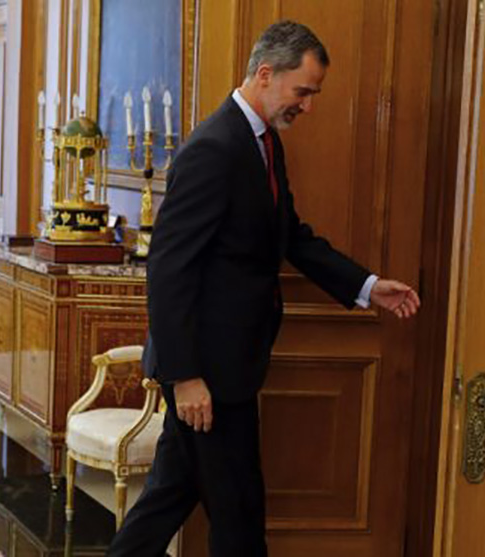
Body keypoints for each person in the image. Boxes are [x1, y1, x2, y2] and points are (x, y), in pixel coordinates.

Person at [108, 21, 421, 556]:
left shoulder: (261, 143)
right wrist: (186, 377)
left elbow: (290, 236)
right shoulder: (214, 147)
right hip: (206, 372)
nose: (308, 105)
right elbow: (169, 270)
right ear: (266, 73)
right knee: (239, 518)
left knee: (170, 498)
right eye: (304, 91)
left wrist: (367, 287)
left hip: (227, 367)